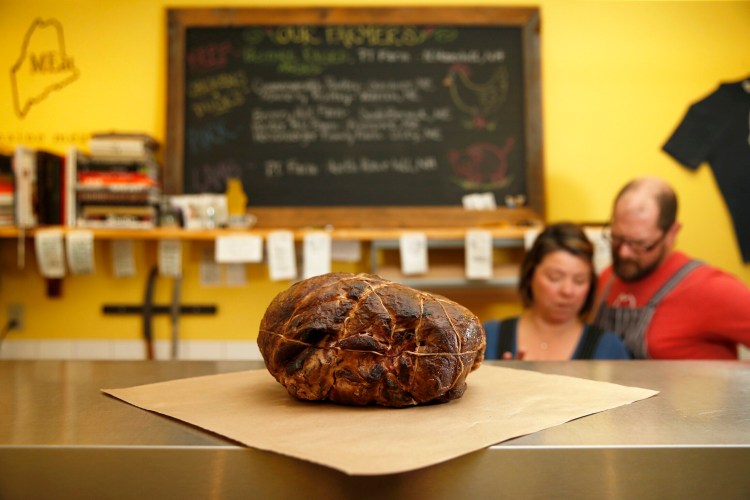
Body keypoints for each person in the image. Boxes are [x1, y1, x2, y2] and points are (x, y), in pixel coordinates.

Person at [592, 176, 750, 359]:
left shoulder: (711, 288)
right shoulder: (608, 279)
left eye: (639, 244)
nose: (623, 253)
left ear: (672, 233)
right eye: (617, 238)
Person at [484, 222, 631, 360]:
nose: (567, 291)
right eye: (555, 278)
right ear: (530, 275)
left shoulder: (609, 348)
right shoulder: (488, 337)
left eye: (579, 281)